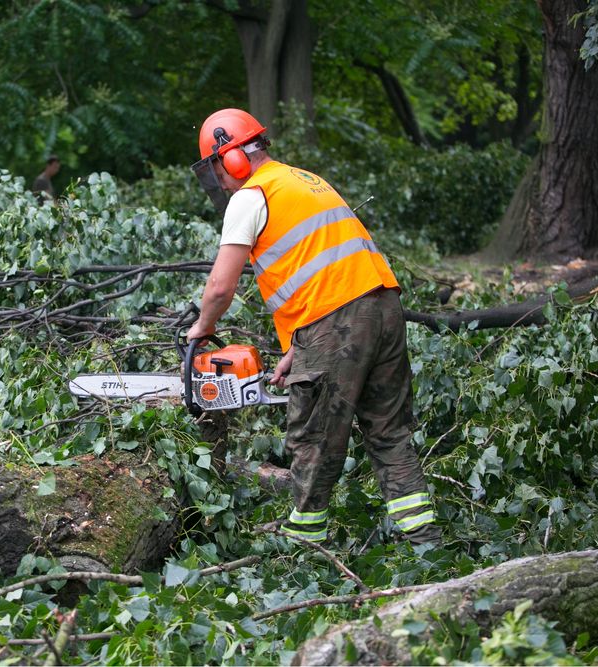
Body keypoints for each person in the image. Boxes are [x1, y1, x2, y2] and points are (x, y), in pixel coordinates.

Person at [185, 108, 440, 546]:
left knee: (316, 436)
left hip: (337, 319)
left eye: (216, 169)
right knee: (389, 431)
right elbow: (326, 267)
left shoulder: (252, 196)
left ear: (231, 159)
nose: (220, 182)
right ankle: (428, 542)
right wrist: (295, 349)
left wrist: (201, 331)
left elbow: (219, 288)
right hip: (383, 308)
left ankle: (304, 544)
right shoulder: (305, 180)